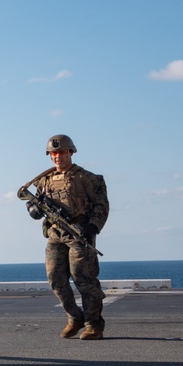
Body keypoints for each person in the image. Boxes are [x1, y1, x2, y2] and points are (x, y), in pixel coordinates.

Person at [18, 135, 109, 340]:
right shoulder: (44, 180)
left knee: (84, 279)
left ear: (70, 152)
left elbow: (101, 204)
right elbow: (34, 202)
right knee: (56, 279)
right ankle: (74, 318)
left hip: (79, 233)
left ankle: (93, 324)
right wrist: (33, 209)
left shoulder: (86, 178)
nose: (57, 157)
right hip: (55, 233)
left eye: (61, 152)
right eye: (54, 153)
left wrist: (92, 226)